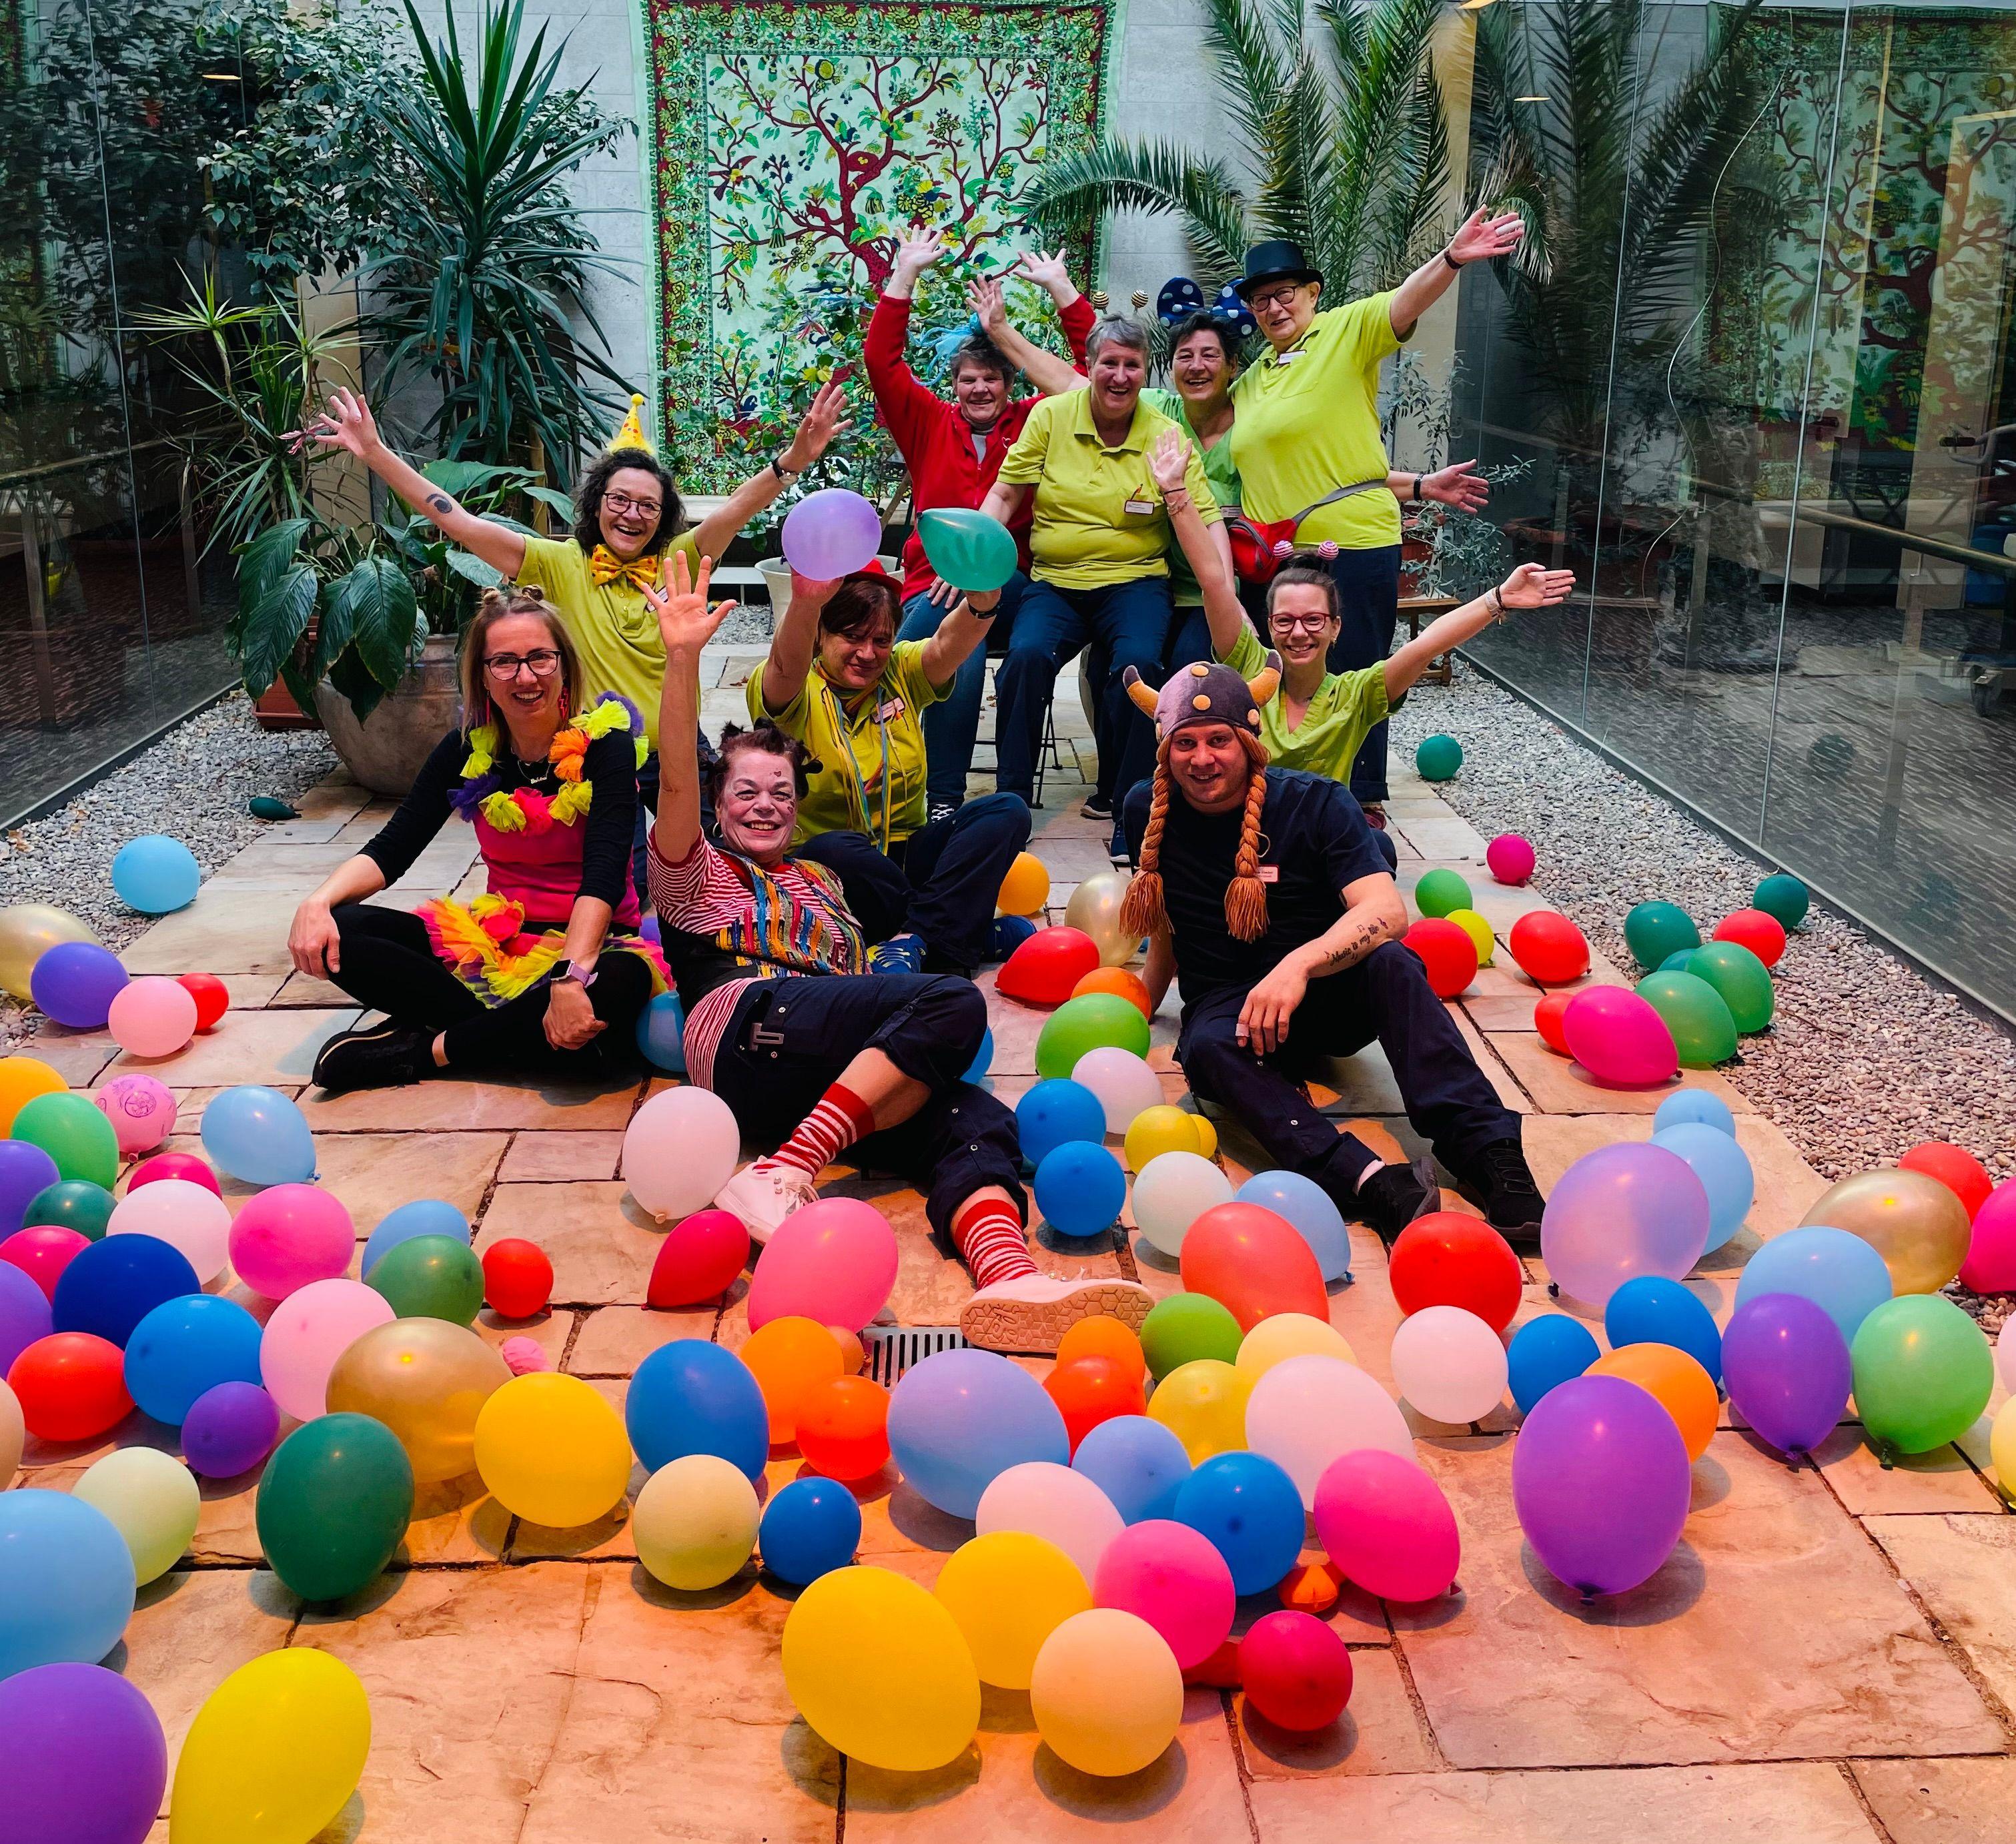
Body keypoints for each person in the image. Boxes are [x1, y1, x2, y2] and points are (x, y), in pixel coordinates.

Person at [648, 553, 1151, 1349]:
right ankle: (784, 1170)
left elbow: (869, 1009)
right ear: (717, 804)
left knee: (975, 1115)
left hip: (814, 1074)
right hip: (744, 1026)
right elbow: (676, 781)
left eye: (781, 792)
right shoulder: (698, 870)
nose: (766, 805)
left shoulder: (822, 880)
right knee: (948, 1000)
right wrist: (682, 660)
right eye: (746, 791)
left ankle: (1008, 1277)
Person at [298, 382, 851, 890]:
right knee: (626, 883)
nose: (632, 514)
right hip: (602, 757)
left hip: (681, 749)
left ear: (663, 518)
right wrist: (376, 453)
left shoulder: (680, 559)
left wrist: (794, 460)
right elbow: (459, 521)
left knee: (731, 864)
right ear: (596, 504)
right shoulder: (558, 562)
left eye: (648, 506)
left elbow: (738, 507)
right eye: (619, 500)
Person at [1118, 654, 1543, 1240]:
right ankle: (1371, 1184)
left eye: (1219, 740)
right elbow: (1167, 922)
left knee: (1393, 962)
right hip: (1232, 1012)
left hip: (1326, 996)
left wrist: (1299, 965)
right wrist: (1141, 1004)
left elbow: (1386, 912)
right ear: (1166, 750)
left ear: (1249, 740)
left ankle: (1489, 1153)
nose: (1202, 758)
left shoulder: (1316, 802)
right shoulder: (1146, 808)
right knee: (1204, 1046)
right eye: (1185, 743)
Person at [1012, 308, 1492, 729]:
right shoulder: (1156, 411)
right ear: (1169, 367)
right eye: (1185, 356)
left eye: (1210, 356)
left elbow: (1323, 475)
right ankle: (1130, 780)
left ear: (1232, 367)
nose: (1197, 366)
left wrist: (1419, 485)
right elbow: (1076, 382)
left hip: (1225, 589)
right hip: (1153, 582)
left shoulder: (1255, 421)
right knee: (1115, 666)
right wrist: (1001, 327)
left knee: (1192, 668)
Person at [294, 590, 664, 1092]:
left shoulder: (608, 748)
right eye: (505, 662)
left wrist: (570, 978)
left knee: (621, 987)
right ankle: (511, 1036)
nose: (526, 677)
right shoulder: (466, 747)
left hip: (593, 946)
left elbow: (603, 875)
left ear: (564, 665)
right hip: (496, 942)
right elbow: (392, 849)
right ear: (483, 676)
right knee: (341, 929)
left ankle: (422, 1051)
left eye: (540, 658)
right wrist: (317, 903)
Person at [1228, 209, 1525, 823]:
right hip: (1274, 556)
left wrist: (1453, 257)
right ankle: (1282, 781)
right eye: (1261, 300)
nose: (1274, 308)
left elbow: (1404, 301)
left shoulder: (1345, 330)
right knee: (1281, 668)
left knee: (1359, 669)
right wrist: (1417, 484)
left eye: (1284, 293)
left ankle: (1359, 797)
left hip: (1353, 544)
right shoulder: (1251, 381)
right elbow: (1327, 461)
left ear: (1312, 292)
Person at [1148, 429, 1576, 840]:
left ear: (1336, 626)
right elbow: (1214, 582)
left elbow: (1428, 644)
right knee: (1141, 801)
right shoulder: (1248, 668)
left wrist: (1499, 598)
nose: (1299, 632)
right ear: (1270, 625)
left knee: (1378, 848)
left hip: (1314, 847)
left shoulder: (1356, 695)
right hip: (1245, 841)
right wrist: (1176, 493)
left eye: (1314, 620)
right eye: (1285, 621)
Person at [980, 318, 1229, 855]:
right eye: (1109, 363)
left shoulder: (1165, 433)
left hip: (1135, 582)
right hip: (1057, 583)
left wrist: (1224, 593)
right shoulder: (1051, 417)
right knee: (1025, 659)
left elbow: (1207, 516)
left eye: (1131, 365)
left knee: (1138, 667)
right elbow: (1005, 493)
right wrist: (974, 556)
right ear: (1089, 366)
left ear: (1146, 371)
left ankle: (1129, 807)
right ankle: (1010, 805)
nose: (1120, 376)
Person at [869, 228, 1095, 818]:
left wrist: (1062, 291)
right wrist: (904, 274)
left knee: (965, 636)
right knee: (955, 653)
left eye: (992, 378)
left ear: (1010, 385)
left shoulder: (1036, 422)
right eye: (969, 379)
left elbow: (1089, 376)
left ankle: (957, 792)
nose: (980, 388)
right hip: (932, 585)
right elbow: (882, 363)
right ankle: (943, 800)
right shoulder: (926, 422)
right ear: (954, 386)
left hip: (1017, 587)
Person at [746, 563, 1029, 975]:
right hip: (832, 876)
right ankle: (956, 933)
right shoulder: (794, 688)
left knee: (1006, 810)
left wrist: (982, 605)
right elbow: (785, 667)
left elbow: (946, 644)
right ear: (821, 634)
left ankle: (913, 937)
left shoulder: (900, 671)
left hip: (905, 854)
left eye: (881, 640)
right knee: (835, 848)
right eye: (852, 637)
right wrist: (806, 604)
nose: (867, 654)